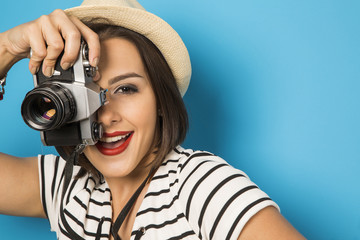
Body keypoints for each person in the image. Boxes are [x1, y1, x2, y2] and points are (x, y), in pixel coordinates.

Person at [0, 0, 306, 239]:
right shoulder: (69, 187)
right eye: (86, 94)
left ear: (160, 100)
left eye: (126, 89)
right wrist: (7, 48)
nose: (106, 115)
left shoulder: (200, 185)